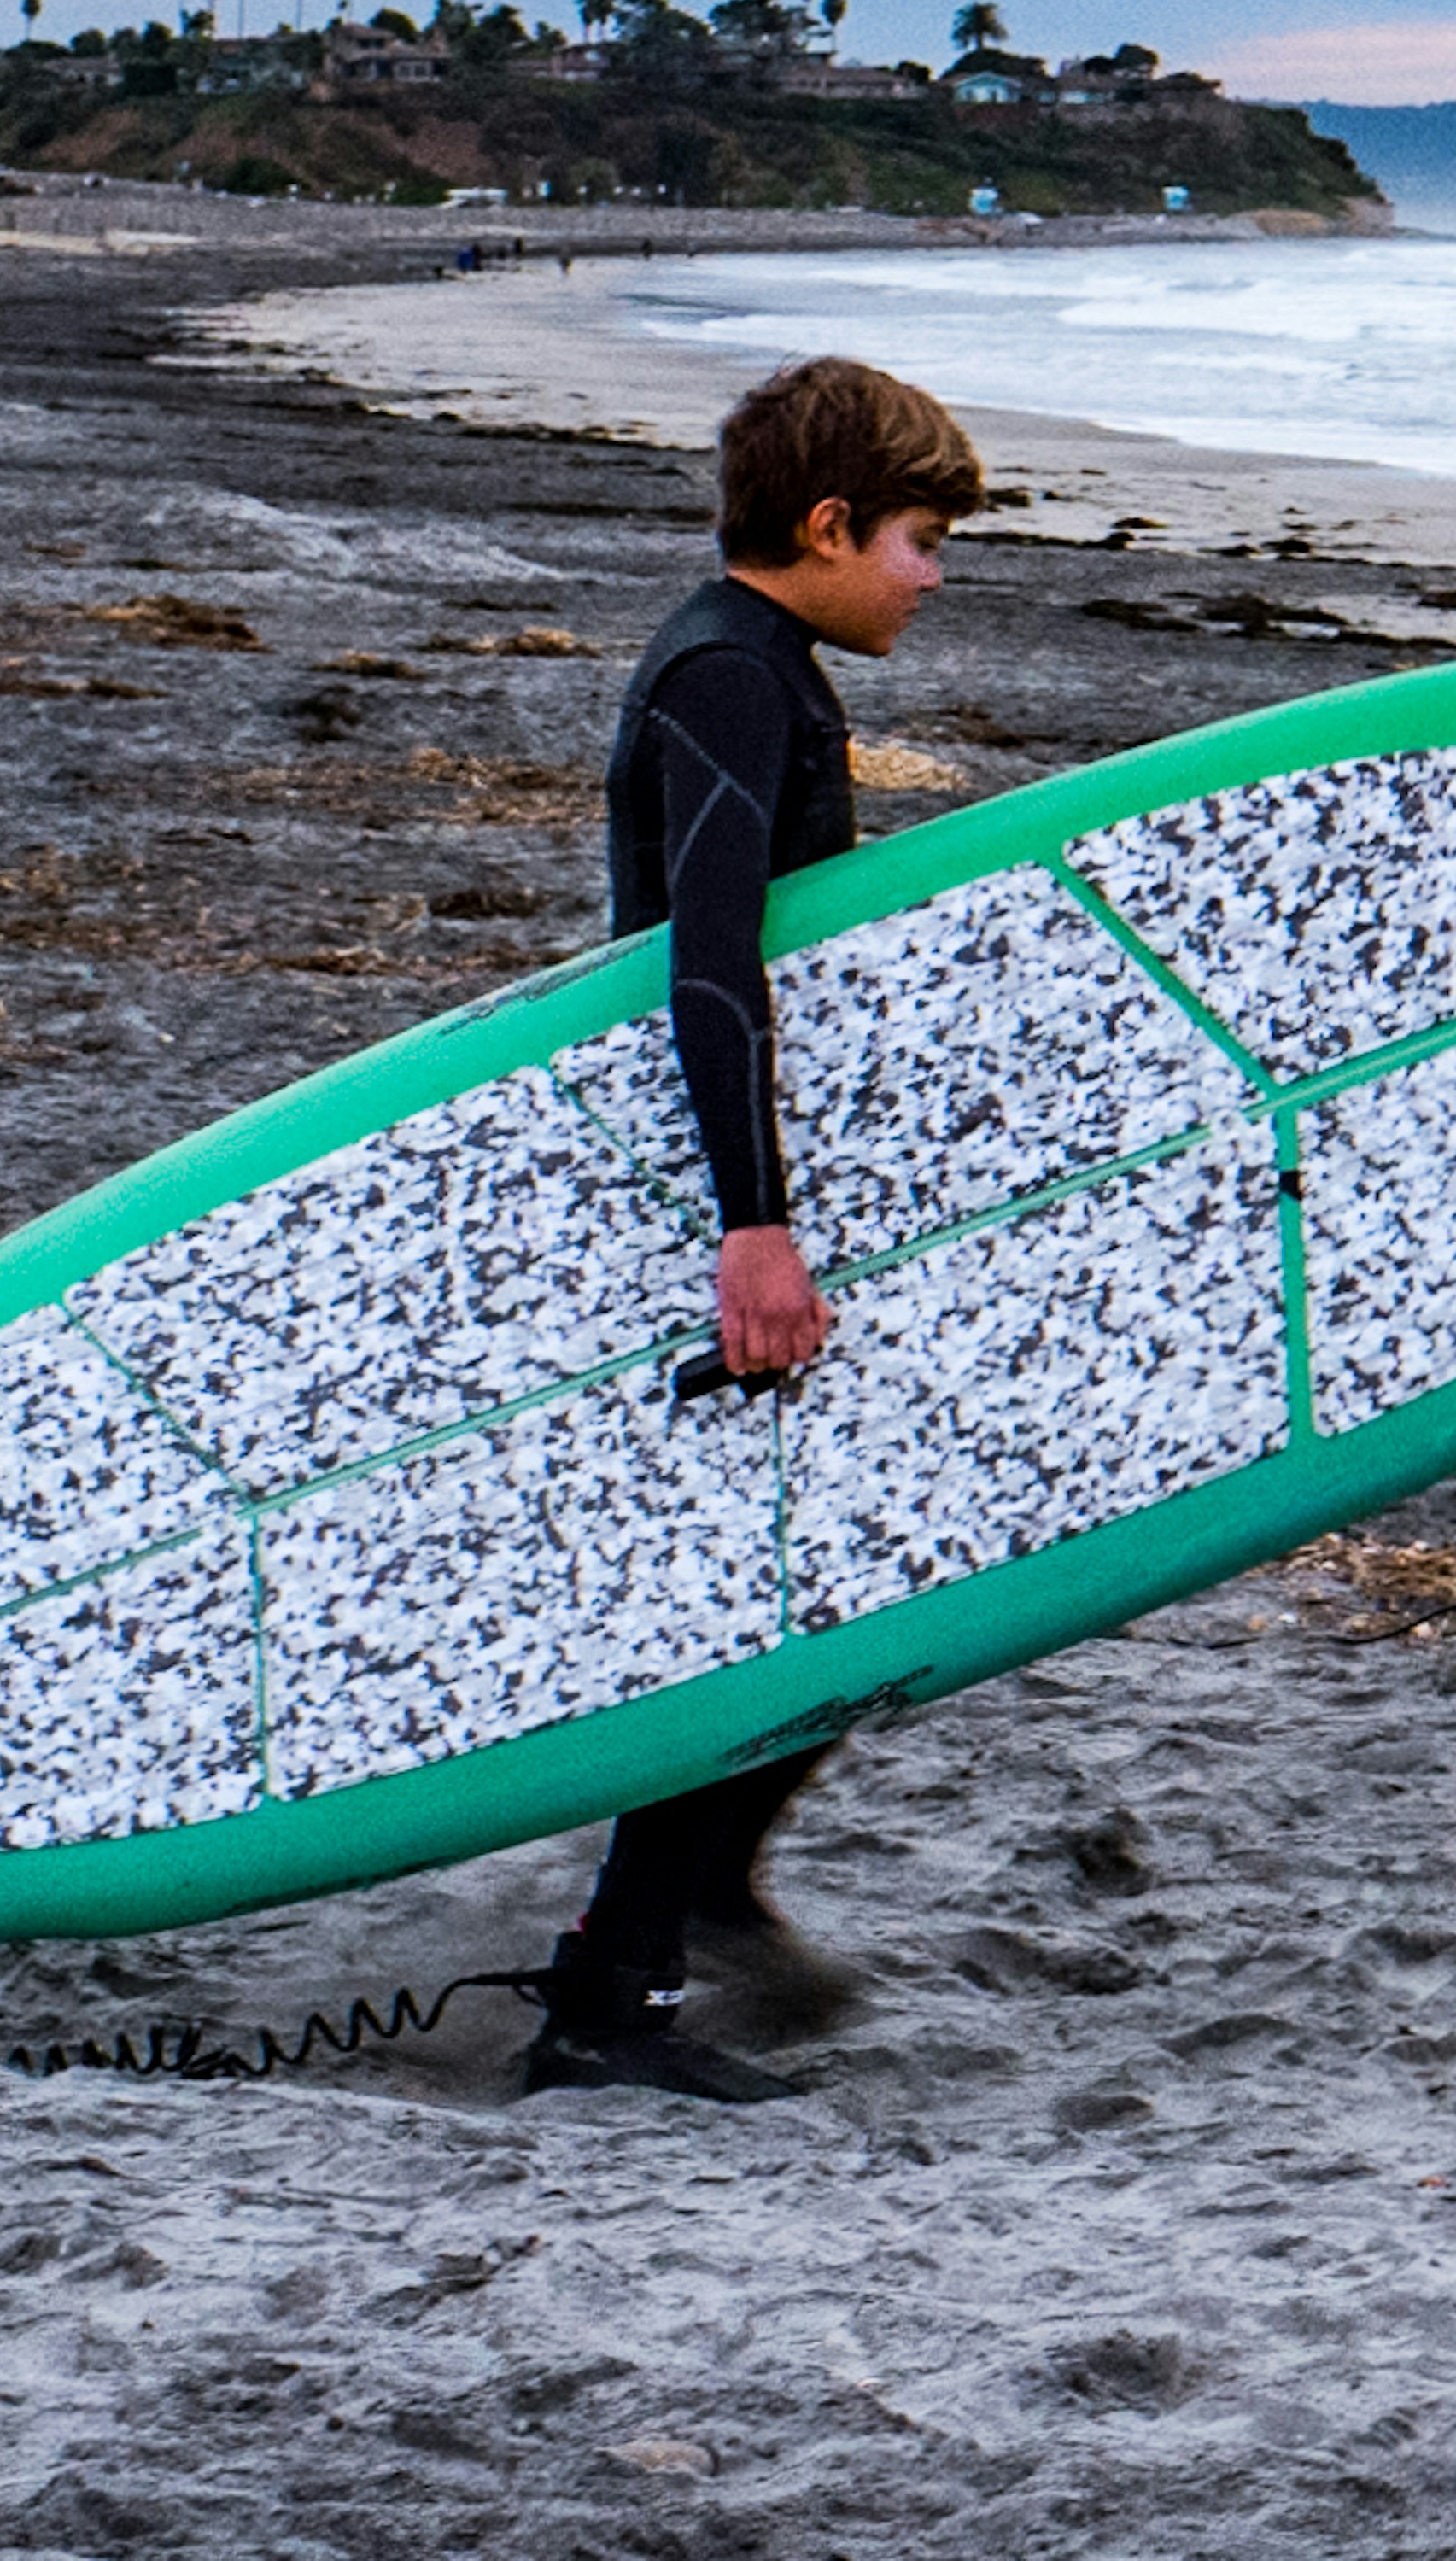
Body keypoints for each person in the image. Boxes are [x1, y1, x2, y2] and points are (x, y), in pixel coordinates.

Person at [529, 355, 996, 2102]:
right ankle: (612, 1987)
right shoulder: (732, 676)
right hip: (709, 1193)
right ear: (826, 524)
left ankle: (691, 1904)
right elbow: (706, 963)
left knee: (807, 1589)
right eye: (921, 541)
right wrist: (753, 1226)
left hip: (722, 1178)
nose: (931, 578)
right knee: (768, 1600)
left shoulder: (746, 658)